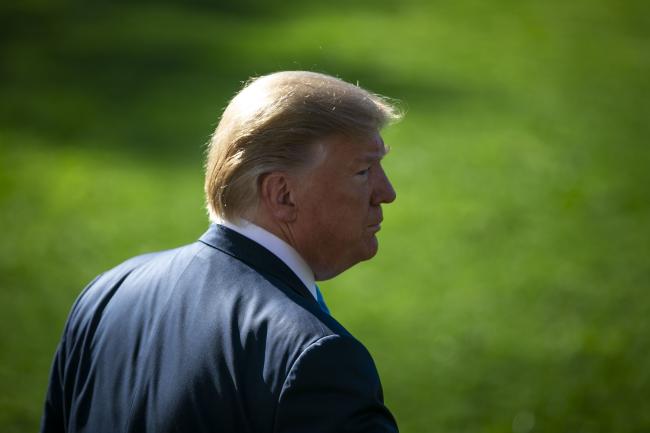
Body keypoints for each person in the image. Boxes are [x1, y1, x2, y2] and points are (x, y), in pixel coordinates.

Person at [41, 70, 402, 433]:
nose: (386, 192)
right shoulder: (317, 357)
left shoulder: (106, 294)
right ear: (283, 195)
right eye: (363, 171)